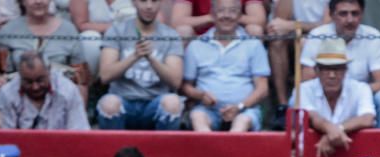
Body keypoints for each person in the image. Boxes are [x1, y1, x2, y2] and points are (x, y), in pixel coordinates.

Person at [301, 0, 380, 128]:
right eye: (343, 14)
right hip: (325, 95)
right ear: (331, 15)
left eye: (355, 13)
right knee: (295, 100)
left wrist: (354, 92)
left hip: (360, 96)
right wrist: (336, 90)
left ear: (362, 14)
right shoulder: (317, 35)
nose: (350, 19)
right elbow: (307, 79)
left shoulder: (372, 35)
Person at [181, 0, 270, 132]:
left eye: (233, 11)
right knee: (197, 117)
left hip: (244, 110)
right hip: (207, 109)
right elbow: (186, 86)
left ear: (240, 16)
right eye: (221, 10)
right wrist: (200, 95)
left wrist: (240, 106)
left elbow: (263, 88)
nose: (226, 15)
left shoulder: (253, 44)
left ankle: (229, 151)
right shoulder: (196, 45)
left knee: (241, 123)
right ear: (212, 14)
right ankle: (211, 151)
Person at [96, 0, 184, 130]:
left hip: (155, 102)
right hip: (124, 100)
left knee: (173, 103)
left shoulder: (171, 35)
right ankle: (114, 149)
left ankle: (163, 150)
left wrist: (151, 58)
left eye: (154, 1)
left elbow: (175, 81)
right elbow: (105, 76)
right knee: (109, 103)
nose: (149, 6)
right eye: (143, 1)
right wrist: (135, 56)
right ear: (133, 2)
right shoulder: (116, 31)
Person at [290, 37, 375, 157]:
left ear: (345, 70)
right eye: (326, 69)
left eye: (337, 69)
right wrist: (331, 129)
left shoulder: (360, 88)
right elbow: (312, 116)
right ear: (317, 70)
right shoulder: (303, 90)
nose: (332, 75)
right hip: (308, 156)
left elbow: (367, 118)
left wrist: (335, 130)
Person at [267, 0, 329, 129]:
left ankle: (304, 106)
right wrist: (292, 27)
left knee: (304, 43)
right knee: (276, 40)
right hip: (296, 34)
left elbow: (328, 23)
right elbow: (278, 22)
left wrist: (293, 25)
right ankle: (283, 106)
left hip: (325, 36)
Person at [0, 0, 87, 87]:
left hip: (61, 93)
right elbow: (2, 74)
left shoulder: (69, 30)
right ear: (22, 1)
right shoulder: (7, 31)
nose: (38, 1)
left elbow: (81, 79)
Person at [0, 52, 91, 129]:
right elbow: (5, 136)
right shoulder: (7, 94)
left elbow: (79, 130)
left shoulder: (68, 90)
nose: (35, 87)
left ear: (49, 71)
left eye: (40, 80)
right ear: (20, 76)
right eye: (28, 82)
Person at [171, 0, 266, 38]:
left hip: (236, 37)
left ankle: (255, 77)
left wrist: (229, 15)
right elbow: (177, 22)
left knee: (255, 29)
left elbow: (260, 20)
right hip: (200, 39)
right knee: (183, 31)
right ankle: (188, 79)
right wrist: (213, 17)